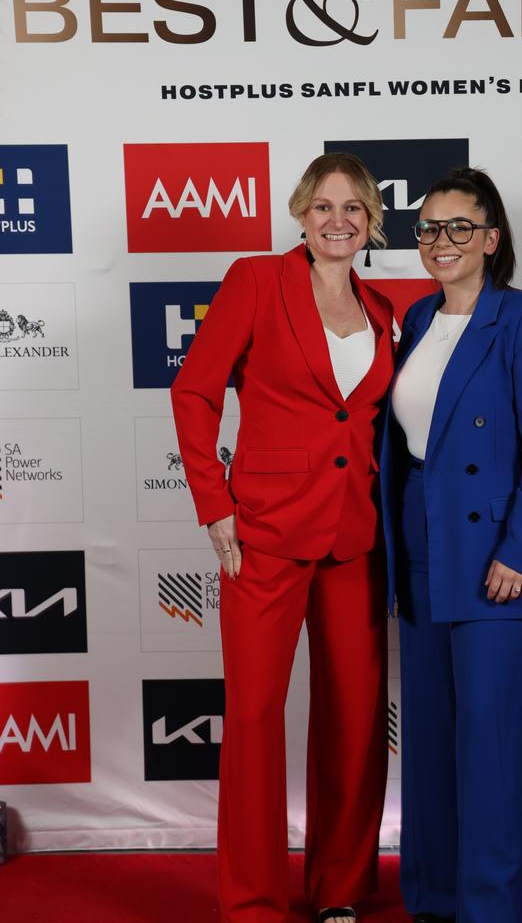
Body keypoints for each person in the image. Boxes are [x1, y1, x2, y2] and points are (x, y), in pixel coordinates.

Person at [171, 152, 395, 923]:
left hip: (355, 539)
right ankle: (254, 901)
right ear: (301, 212)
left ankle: (338, 889)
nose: (339, 221)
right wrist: (213, 501)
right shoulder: (256, 280)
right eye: (325, 206)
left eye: (354, 209)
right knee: (258, 718)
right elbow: (196, 389)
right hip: (262, 534)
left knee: (356, 723)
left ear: (372, 220)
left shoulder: (385, 309)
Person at [379, 167, 522, 923]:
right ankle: (432, 899)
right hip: (422, 543)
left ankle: (488, 909)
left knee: (487, 751)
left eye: (461, 226)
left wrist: (521, 551)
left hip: (496, 555)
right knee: (428, 744)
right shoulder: (417, 321)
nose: (442, 240)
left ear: (492, 240)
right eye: (429, 227)